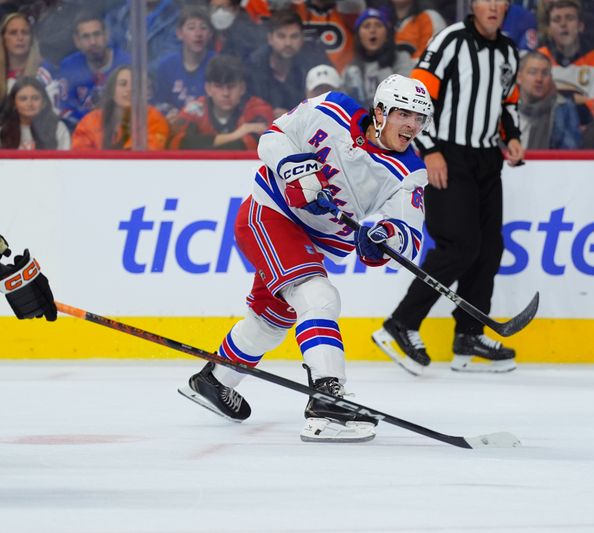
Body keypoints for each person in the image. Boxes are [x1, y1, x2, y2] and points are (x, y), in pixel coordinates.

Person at [178, 74, 434, 443]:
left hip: (314, 244)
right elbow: (274, 137)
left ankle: (214, 380)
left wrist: (383, 235)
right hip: (269, 215)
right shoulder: (332, 109)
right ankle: (326, 400)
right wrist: (295, 167)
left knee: (271, 320)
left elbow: (408, 237)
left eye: (419, 118)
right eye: (404, 114)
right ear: (380, 111)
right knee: (319, 298)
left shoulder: (410, 171)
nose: (412, 125)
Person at [373, 0, 524, 375]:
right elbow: (417, 99)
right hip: (448, 155)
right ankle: (401, 324)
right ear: (473, 4)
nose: (492, 6)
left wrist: (513, 136)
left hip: (488, 158)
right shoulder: (450, 41)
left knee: (489, 248)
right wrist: (431, 150)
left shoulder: (507, 50)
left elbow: (508, 101)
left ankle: (469, 336)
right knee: (460, 245)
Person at [169, 55, 273, 150]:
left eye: (231, 86)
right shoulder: (195, 109)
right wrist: (235, 135)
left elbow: (252, 145)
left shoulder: (259, 108)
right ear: (208, 88)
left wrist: (202, 143)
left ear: (242, 88)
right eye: (219, 87)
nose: (226, 93)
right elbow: (178, 143)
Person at [537, 0, 594, 126]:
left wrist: (557, 99)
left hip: (586, 135)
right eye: (557, 20)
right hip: (544, 131)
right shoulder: (537, 59)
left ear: (580, 26)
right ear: (549, 29)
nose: (563, 24)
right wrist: (578, 99)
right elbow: (531, 106)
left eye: (569, 18)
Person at [249, 9, 330, 118]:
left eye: (294, 36)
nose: (288, 43)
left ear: (302, 39)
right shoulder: (255, 65)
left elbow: (326, 107)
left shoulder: (313, 64)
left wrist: (293, 116)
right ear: (270, 39)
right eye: (281, 36)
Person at [58, 12, 131, 131]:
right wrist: (92, 123)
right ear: (77, 41)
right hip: (83, 132)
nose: (92, 42)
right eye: (86, 37)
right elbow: (65, 108)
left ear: (106, 35)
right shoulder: (69, 66)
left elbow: (137, 106)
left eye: (97, 34)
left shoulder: (126, 63)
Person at [72, 65, 169, 150]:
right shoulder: (91, 121)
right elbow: (81, 158)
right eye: (123, 84)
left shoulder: (154, 118)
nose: (129, 89)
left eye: (134, 85)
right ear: (112, 89)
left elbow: (149, 152)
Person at [151, 5, 215, 123]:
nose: (198, 33)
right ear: (179, 33)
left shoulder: (218, 64)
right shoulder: (166, 66)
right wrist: (169, 114)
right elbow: (161, 103)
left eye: (203, 28)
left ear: (210, 34)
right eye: (191, 28)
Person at [342, 8, 415, 107]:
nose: (372, 30)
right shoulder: (351, 68)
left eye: (378, 25)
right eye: (366, 26)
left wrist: (384, 68)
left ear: (387, 35)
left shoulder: (401, 58)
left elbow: (406, 96)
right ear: (358, 36)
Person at [517, 51, 581, 149]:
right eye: (533, 72)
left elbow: (570, 156)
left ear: (551, 78)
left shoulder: (563, 108)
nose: (539, 79)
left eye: (545, 73)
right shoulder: (502, 109)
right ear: (519, 77)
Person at [0, 12, 58, 112]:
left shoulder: (45, 72)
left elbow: (52, 112)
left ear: (31, 39)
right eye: (13, 33)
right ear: (3, 39)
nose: (20, 38)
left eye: (25, 33)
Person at [0, 76, 70, 149]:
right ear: (14, 103)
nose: (29, 104)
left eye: (35, 98)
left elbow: (65, 159)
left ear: (44, 102)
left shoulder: (58, 128)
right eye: (23, 99)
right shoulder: (2, 129)